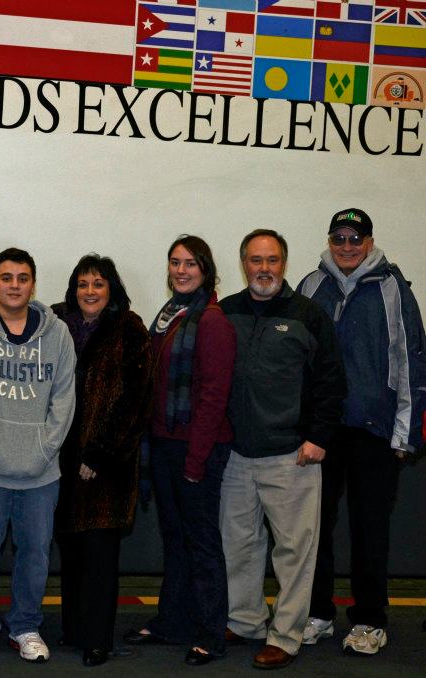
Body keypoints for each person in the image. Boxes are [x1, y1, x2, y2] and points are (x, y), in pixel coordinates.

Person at [297, 208, 426, 656]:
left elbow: (411, 362)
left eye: (356, 239)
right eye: (339, 238)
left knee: (370, 529)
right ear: (329, 241)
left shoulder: (393, 288)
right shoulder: (311, 286)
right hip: (321, 431)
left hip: (374, 431)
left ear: (369, 242)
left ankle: (370, 620)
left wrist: (405, 434)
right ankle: (317, 613)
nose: (347, 247)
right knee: (314, 528)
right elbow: (295, 360)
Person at [219, 229, 346, 670]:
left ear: (284, 264)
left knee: (293, 554)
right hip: (236, 455)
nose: (264, 269)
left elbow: (332, 381)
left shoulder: (308, 315)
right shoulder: (225, 312)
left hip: (292, 455)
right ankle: (246, 620)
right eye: (256, 260)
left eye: (272, 260)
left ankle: (286, 636)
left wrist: (318, 437)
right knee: (240, 546)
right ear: (244, 264)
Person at [0, 248, 76, 664]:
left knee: (35, 553)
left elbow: (64, 398)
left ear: (33, 284)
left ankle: (25, 626)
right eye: (6, 278)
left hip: (41, 469)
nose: (15, 285)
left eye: (23, 278)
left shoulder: (58, 334)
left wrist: (44, 448)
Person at [123, 236, 236, 666]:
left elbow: (214, 396)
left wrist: (196, 459)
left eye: (190, 263)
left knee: (202, 543)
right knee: (175, 539)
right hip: (166, 444)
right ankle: (173, 621)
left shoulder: (212, 321)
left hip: (197, 449)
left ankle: (210, 633)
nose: (181, 270)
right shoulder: (169, 315)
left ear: (206, 270)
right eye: (175, 262)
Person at [52, 254, 152, 666]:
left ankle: (97, 639)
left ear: (112, 289)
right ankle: (75, 630)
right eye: (82, 284)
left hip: (106, 466)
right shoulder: (57, 325)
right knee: (71, 551)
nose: (89, 291)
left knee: (99, 555)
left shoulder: (129, 328)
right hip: (60, 459)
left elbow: (134, 400)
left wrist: (99, 454)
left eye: (98, 284)